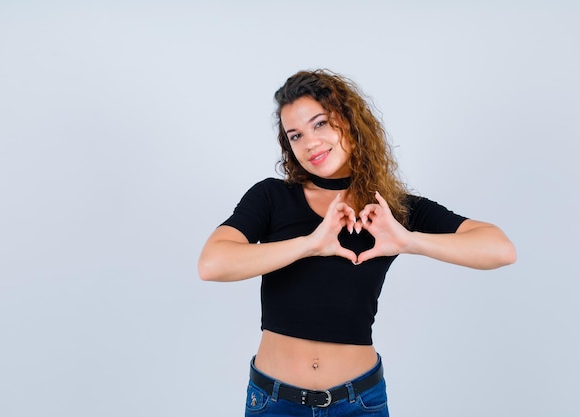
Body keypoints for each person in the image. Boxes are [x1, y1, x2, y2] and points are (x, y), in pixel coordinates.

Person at [198, 69, 516, 416]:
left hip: (359, 402)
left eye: (320, 124)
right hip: (275, 402)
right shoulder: (272, 197)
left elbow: (500, 249)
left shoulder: (390, 208)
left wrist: (408, 241)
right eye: (296, 135)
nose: (310, 143)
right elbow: (212, 264)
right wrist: (310, 244)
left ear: (349, 121)